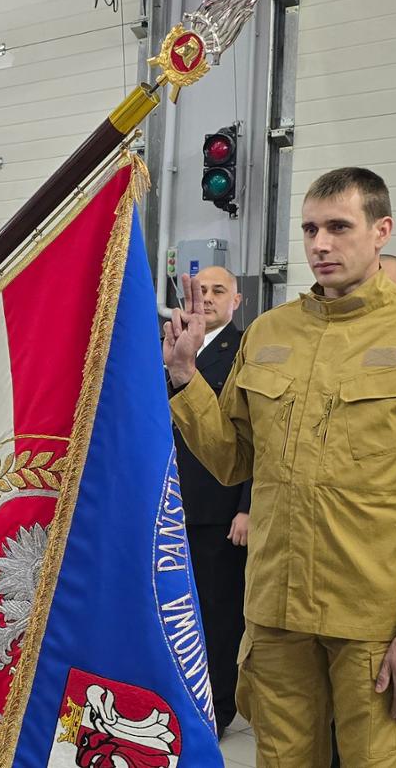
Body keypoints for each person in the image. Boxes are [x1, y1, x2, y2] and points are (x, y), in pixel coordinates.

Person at [164, 167, 396, 767]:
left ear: (381, 230)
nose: (320, 243)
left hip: (373, 613)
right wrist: (185, 380)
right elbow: (233, 460)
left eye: (339, 226)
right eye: (311, 228)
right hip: (276, 609)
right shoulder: (270, 331)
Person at [173, 265, 250, 737]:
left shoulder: (244, 351)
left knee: (217, 616)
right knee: (178, 613)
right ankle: (179, 698)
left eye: (218, 291)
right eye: (201, 291)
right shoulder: (172, 342)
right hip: (171, 503)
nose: (207, 298)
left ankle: (218, 708)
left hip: (218, 508)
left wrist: (247, 506)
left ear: (236, 301)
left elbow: (253, 437)